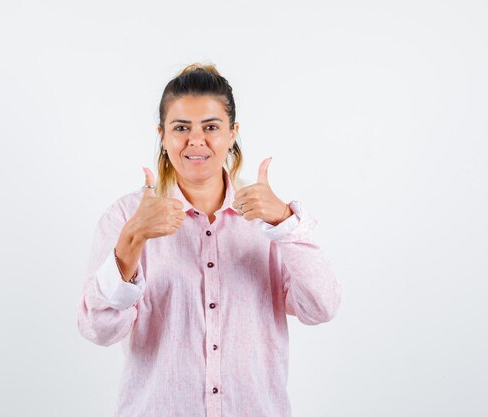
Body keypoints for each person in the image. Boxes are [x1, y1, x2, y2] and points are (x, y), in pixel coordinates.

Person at [76, 63, 341, 417]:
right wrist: (133, 239)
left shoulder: (269, 217)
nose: (196, 140)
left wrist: (284, 221)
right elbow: (99, 330)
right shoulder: (125, 217)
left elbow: (321, 307)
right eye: (181, 127)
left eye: (211, 127)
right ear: (163, 134)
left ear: (233, 133)